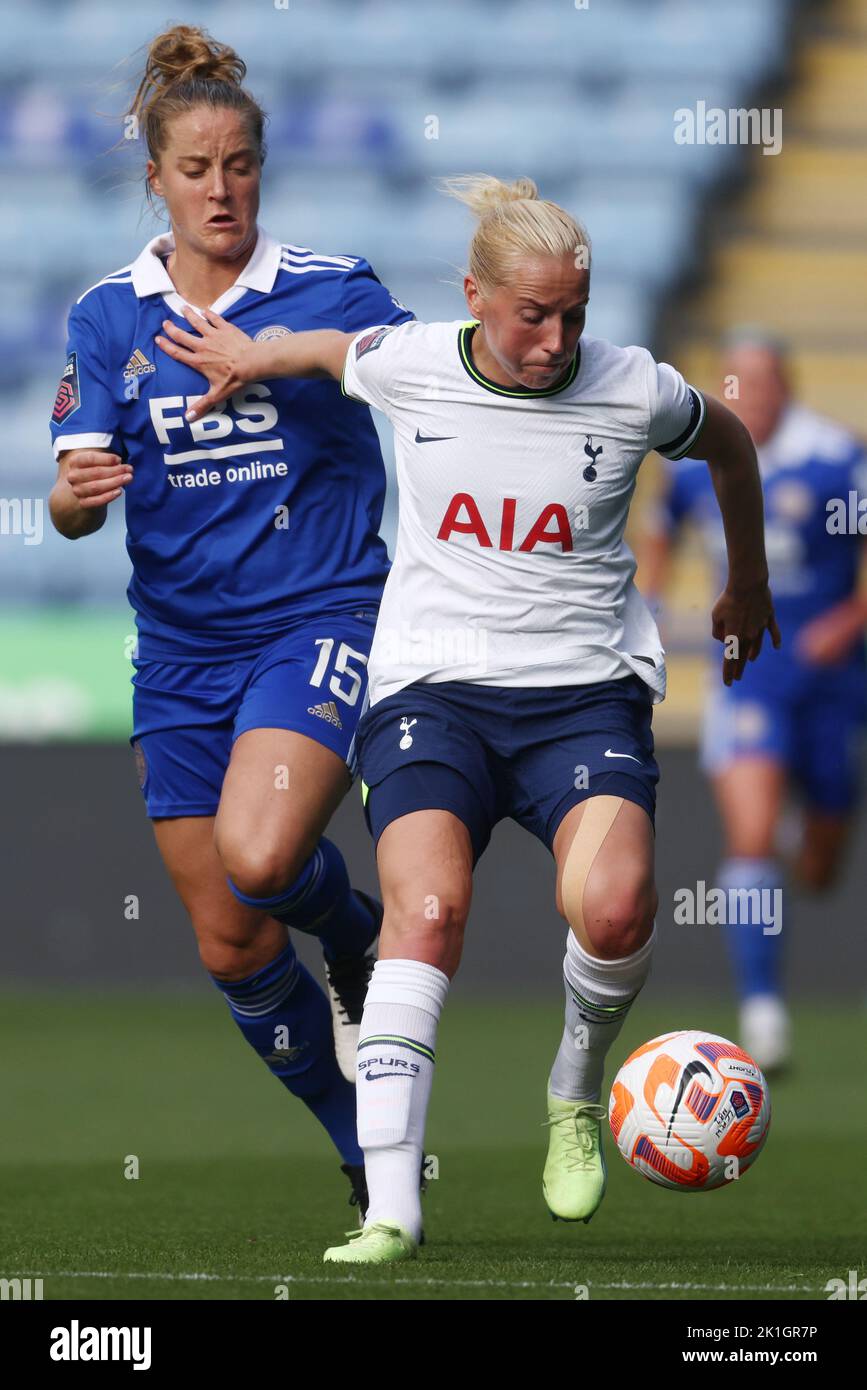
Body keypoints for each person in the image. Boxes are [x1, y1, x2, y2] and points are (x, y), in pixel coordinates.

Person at [154, 174, 780, 1266]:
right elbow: (320, 352)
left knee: (620, 908)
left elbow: (728, 442)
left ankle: (575, 1093)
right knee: (430, 910)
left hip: (582, 699)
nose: (556, 339)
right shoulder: (413, 364)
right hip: (431, 694)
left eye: (574, 314)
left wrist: (749, 581)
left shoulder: (635, 388)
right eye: (533, 315)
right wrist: (248, 356)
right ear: (475, 298)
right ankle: (393, 1206)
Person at [47, 23, 415, 1219]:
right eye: (197, 169)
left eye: (241, 164)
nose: (222, 189)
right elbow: (71, 504)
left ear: (262, 165)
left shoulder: (329, 286)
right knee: (230, 941)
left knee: (262, 861)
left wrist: (284, 361)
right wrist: (71, 498)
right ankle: (362, 1151)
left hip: (318, 611)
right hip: (181, 653)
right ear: (155, 175)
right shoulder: (109, 317)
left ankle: (355, 928)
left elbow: (426, 384)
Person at [640, 331, 867, 1071]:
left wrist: (845, 621)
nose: (749, 395)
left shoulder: (836, 457)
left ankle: (812, 835)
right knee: (749, 836)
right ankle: (762, 1010)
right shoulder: (696, 462)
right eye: (735, 382)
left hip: (834, 677)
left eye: (762, 381)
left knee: (822, 866)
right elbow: (658, 532)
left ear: (787, 385)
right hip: (750, 671)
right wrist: (646, 604)